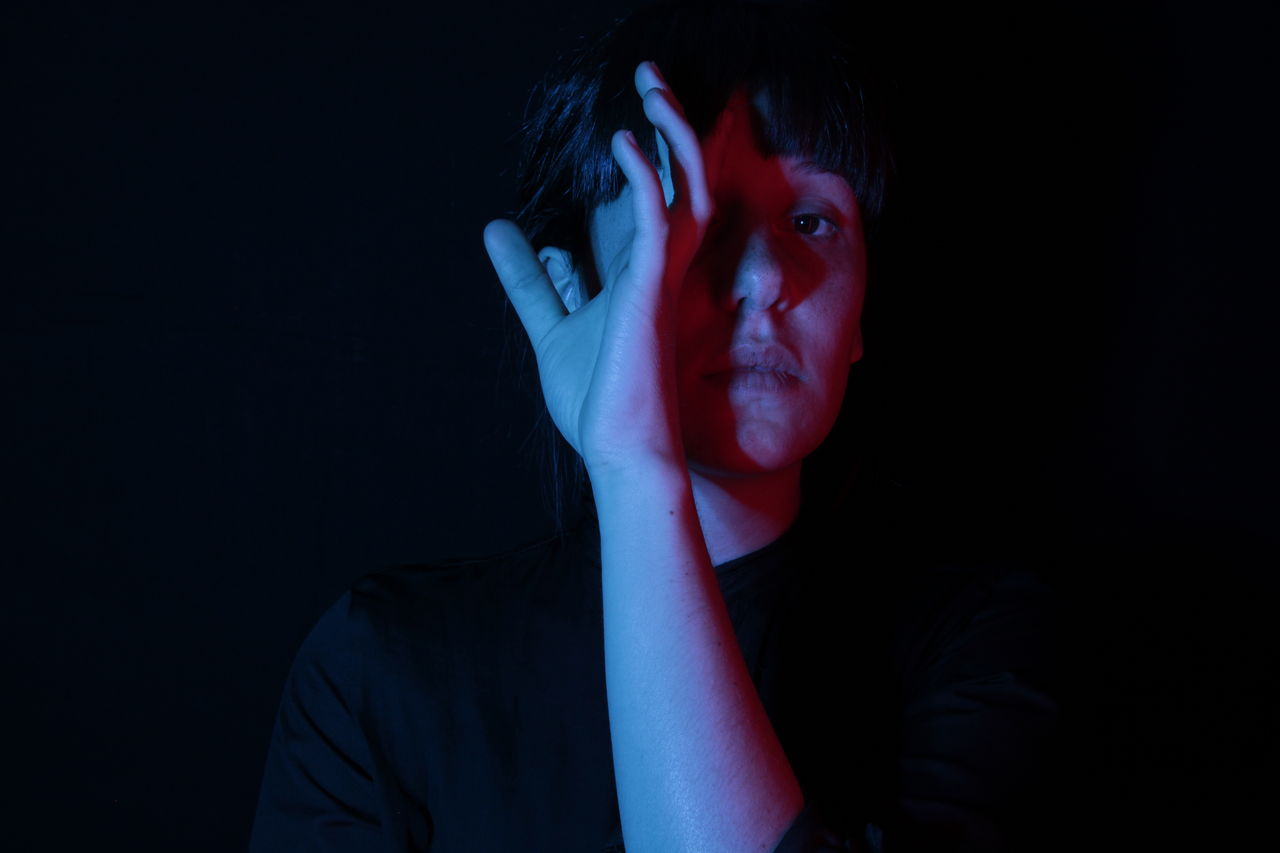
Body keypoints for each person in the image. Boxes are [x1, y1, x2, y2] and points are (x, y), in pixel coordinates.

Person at [248, 2, 1067, 851]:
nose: (763, 280)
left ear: (859, 317)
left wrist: (637, 476)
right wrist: (631, 461)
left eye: (812, 221)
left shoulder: (980, 650)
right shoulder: (384, 668)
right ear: (573, 295)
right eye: (695, 223)